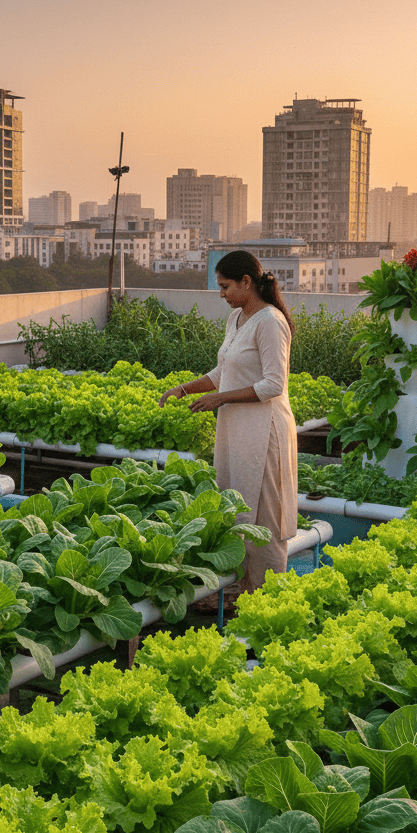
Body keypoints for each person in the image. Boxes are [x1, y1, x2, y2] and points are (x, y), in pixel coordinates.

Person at [159, 250, 298, 591]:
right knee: (239, 506)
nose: (221, 294)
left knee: (265, 515)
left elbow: (273, 384)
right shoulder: (236, 320)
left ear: (246, 282)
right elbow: (224, 372)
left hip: (265, 430)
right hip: (237, 429)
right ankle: (244, 588)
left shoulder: (269, 321)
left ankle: (267, 598)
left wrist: (219, 399)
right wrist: (184, 389)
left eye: (225, 287)